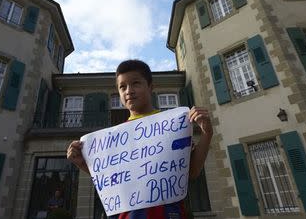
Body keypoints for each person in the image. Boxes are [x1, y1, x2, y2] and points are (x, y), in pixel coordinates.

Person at [67, 59, 213, 218]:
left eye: (135, 83)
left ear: (151, 87)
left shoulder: (174, 125)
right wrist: (82, 163)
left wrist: (207, 133)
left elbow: (191, 172)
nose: (128, 91)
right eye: (122, 87)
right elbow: (112, 181)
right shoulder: (114, 139)